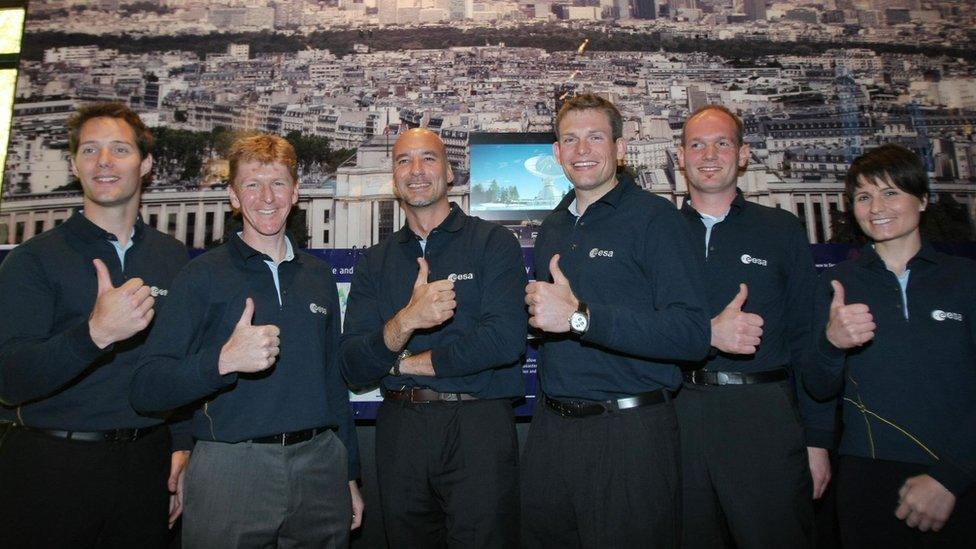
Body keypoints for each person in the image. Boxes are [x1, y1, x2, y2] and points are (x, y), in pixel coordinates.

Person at [130, 134, 362, 547]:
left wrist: (348, 473)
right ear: (233, 197)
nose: (266, 197)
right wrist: (222, 361)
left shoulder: (319, 276)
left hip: (320, 467)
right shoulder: (200, 276)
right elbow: (149, 387)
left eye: (277, 183)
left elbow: (333, 382)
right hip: (231, 466)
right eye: (252, 184)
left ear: (296, 193)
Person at [520, 93, 710, 548]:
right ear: (556, 153)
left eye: (595, 138)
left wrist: (581, 319)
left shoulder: (656, 220)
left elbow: (691, 335)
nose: (581, 150)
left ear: (621, 149)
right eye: (570, 139)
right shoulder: (553, 226)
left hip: (630, 435)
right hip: (552, 431)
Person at [0, 102, 190, 547]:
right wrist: (95, 334)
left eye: (119, 149)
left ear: (145, 165)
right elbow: (8, 378)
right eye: (90, 150)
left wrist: (180, 446)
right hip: (51, 467)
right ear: (74, 164)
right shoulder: (33, 260)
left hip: (146, 464)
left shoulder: (171, 256)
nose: (103, 162)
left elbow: (175, 364)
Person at [340, 128, 527, 547]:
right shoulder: (375, 261)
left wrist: (403, 363)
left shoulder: (493, 242)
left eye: (428, 159)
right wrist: (408, 319)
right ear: (394, 177)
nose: (416, 171)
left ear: (450, 173)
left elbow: (504, 341)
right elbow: (352, 364)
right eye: (404, 161)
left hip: (478, 425)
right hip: (401, 430)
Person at [674, 104, 836, 548]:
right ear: (680, 156)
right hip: (679, 413)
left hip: (763, 413)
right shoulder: (661, 232)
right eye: (697, 145)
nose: (709, 155)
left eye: (721, 143)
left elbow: (808, 336)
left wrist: (817, 441)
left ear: (743, 154)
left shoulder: (780, 230)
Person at [807, 143, 976, 548]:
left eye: (890, 192)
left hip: (961, 472)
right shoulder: (836, 284)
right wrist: (832, 345)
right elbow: (816, 386)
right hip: (867, 473)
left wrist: (951, 477)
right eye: (864, 196)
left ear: (922, 199)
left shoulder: (966, 280)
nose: (876, 206)